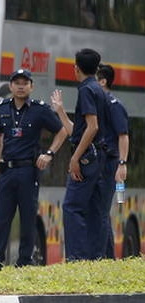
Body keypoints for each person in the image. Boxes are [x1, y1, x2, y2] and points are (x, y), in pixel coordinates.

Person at [0, 69, 67, 270]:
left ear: (31, 86)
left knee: (27, 217)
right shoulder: (3, 108)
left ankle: (24, 262)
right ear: (10, 86)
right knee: (1, 218)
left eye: (25, 83)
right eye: (17, 82)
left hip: (28, 170)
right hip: (7, 171)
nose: (21, 86)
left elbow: (62, 131)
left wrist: (49, 153)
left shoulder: (39, 109)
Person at [54, 48, 109, 261]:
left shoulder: (86, 90)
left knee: (72, 207)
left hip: (88, 157)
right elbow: (79, 128)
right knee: (96, 209)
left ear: (75, 68)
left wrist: (75, 157)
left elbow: (91, 127)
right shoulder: (99, 90)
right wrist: (60, 110)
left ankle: (76, 258)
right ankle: (96, 257)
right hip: (100, 156)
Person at [96, 64, 129, 258]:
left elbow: (123, 135)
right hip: (99, 162)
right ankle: (106, 257)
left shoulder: (114, 105)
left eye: (95, 79)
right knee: (99, 211)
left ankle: (106, 257)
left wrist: (121, 164)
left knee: (101, 211)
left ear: (103, 81)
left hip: (110, 162)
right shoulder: (96, 104)